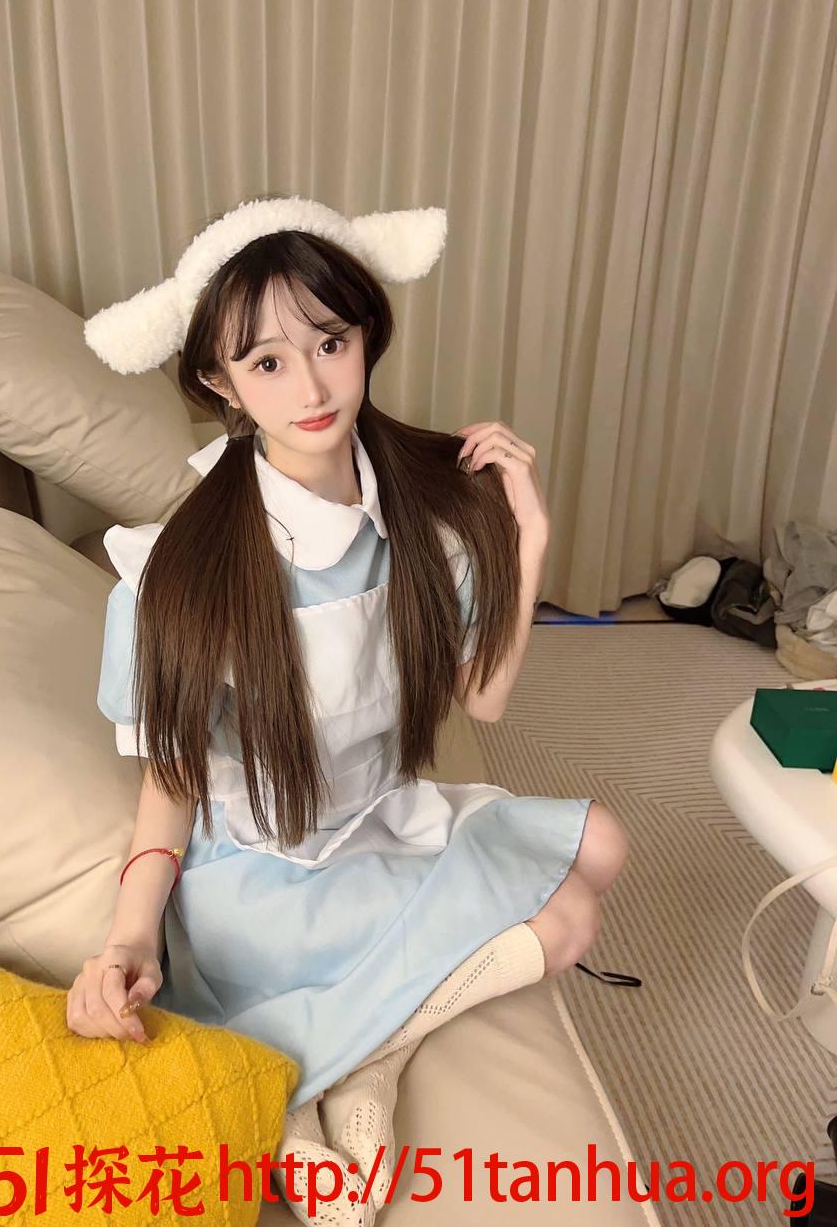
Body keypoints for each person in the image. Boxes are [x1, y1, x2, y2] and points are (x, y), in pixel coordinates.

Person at [67, 196, 631, 1224]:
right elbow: (170, 781)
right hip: (264, 869)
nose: (313, 387)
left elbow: (483, 699)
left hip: (376, 817)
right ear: (220, 381)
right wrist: (131, 934)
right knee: (569, 916)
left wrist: (528, 540)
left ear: (365, 331)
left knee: (599, 847)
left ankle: (370, 1058)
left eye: (330, 342)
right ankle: (316, 1072)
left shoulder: (423, 508)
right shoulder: (177, 571)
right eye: (267, 361)